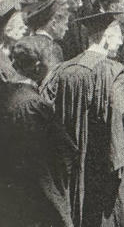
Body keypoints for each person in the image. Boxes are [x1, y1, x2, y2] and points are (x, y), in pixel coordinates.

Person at [40, 11, 124, 226]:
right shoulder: (113, 71)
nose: (121, 42)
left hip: (74, 164)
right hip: (107, 165)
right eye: (118, 36)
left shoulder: (62, 69)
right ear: (105, 37)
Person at [1, 35, 76, 227]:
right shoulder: (31, 105)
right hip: (35, 202)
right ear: (37, 66)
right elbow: (52, 160)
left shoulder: (8, 93)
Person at [24, 0, 68, 65]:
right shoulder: (53, 48)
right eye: (65, 24)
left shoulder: (27, 43)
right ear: (53, 24)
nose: (67, 28)